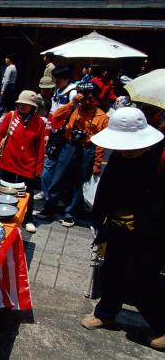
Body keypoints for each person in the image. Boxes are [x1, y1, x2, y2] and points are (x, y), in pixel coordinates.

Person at [81, 107, 165, 351]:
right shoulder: (120, 155)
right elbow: (107, 188)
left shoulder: (160, 158)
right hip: (118, 225)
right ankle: (106, 313)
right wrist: (99, 220)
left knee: (142, 280)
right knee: (112, 270)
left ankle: (161, 324)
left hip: (151, 230)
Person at [39, 83, 109, 227]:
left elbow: (101, 142)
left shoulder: (102, 117)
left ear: (95, 99)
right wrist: (73, 103)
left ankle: (70, 213)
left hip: (87, 149)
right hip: (69, 146)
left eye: (90, 98)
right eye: (84, 98)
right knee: (58, 178)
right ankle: (49, 208)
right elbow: (56, 116)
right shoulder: (74, 109)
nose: (87, 102)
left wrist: (97, 163)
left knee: (79, 182)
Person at [0, 91, 46, 233]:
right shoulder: (11, 116)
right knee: (4, 190)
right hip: (8, 160)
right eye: (21, 104)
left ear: (33, 106)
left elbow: (40, 147)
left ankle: (27, 218)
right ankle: (2, 215)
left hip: (28, 164)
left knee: (27, 193)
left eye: (26, 105)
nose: (22, 106)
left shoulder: (39, 122)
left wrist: (38, 169)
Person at [35, 66, 79, 201]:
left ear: (66, 78)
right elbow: (52, 114)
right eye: (55, 78)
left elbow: (75, 115)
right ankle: (47, 192)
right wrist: (47, 132)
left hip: (65, 135)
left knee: (55, 166)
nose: (56, 81)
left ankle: (50, 195)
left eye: (58, 78)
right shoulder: (58, 91)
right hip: (55, 133)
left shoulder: (72, 94)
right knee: (50, 164)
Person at [0, 54, 17, 124]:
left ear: (10, 60)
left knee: (1, 103)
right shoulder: (14, 67)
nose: (5, 59)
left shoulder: (9, 68)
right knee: (10, 105)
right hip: (12, 87)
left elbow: (7, 80)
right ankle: (12, 120)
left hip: (7, 87)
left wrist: (3, 90)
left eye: (6, 58)